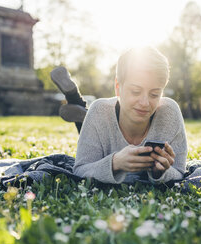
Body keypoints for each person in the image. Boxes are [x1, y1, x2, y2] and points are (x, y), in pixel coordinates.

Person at [51, 47, 188, 184]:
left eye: (154, 94)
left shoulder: (169, 113)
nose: (145, 103)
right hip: (103, 115)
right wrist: (115, 163)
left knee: (98, 121)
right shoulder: (99, 110)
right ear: (117, 86)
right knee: (99, 116)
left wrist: (161, 172)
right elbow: (80, 170)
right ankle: (78, 103)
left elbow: (180, 172)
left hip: (103, 119)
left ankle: (77, 104)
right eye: (135, 91)